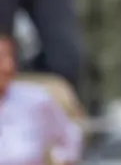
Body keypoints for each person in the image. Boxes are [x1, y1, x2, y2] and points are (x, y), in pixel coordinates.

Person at [0, 34, 83, 164]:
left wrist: (61, 160)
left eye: (11, 57)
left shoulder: (35, 100)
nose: (7, 67)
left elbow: (70, 138)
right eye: (1, 59)